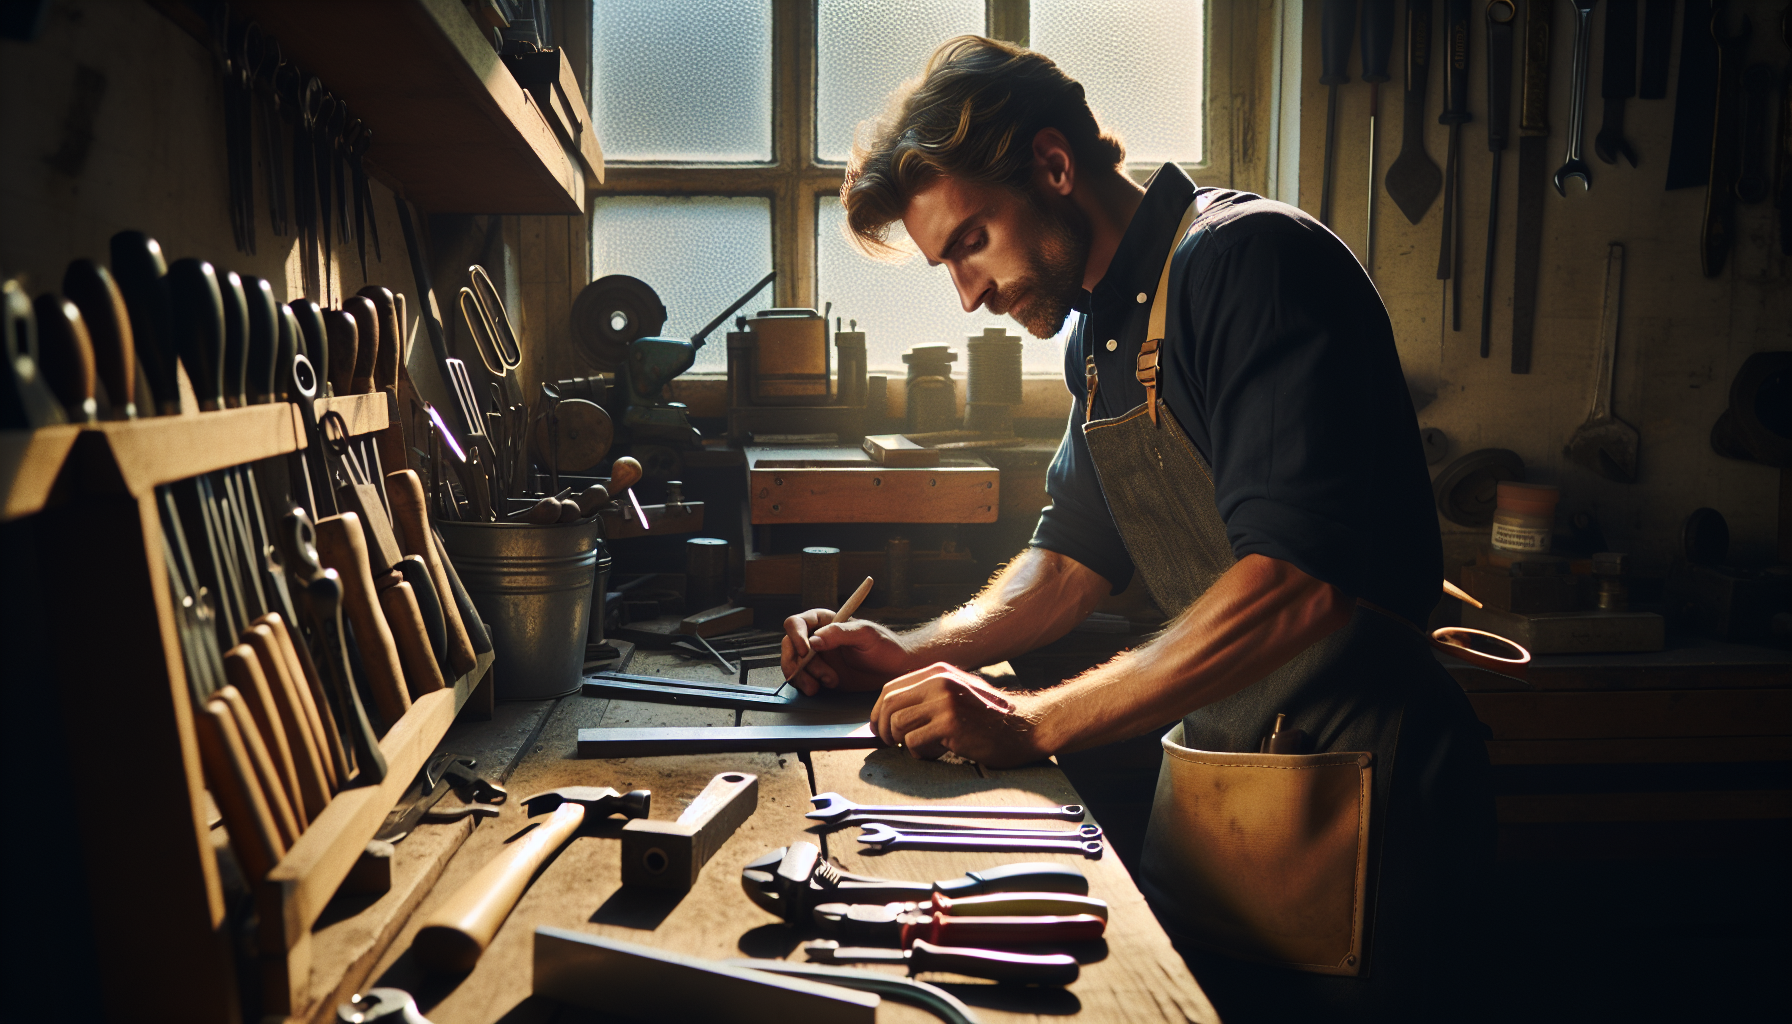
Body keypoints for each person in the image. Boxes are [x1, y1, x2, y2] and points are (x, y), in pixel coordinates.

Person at [781, 35, 1494, 1021]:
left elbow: (1297, 581)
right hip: (1218, 790)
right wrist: (906, 650)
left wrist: (1034, 721)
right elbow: (1070, 562)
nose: (968, 294)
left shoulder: (1248, 263)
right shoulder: (1103, 333)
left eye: (970, 241)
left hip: (1357, 799)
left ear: (1054, 166)